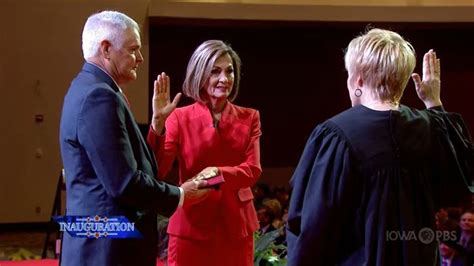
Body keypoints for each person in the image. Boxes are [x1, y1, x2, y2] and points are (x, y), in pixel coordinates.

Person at [286, 28, 474, 265]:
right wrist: (433, 103)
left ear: (359, 79)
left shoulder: (335, 134)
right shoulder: (430, 127)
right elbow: (461, 185)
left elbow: (312, 225)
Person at [59, 11, 209, 266]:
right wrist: (181, 194)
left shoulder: (85, 87)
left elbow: (127, 165)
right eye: (133, 49)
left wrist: (157, 123)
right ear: (106, 49)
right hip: (108, 251)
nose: (140, 58)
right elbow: (124, 182)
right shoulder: (100, 96)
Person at [147, 40, 262, 266]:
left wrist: (216, 173)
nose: (224, 79)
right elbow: (157, 171)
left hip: (236, 228)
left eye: (229, 71)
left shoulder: (250, 117)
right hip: (190, 227)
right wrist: (158, 124)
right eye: (215, 72)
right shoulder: (179, 118)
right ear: (200, 75)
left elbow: (252, 171)